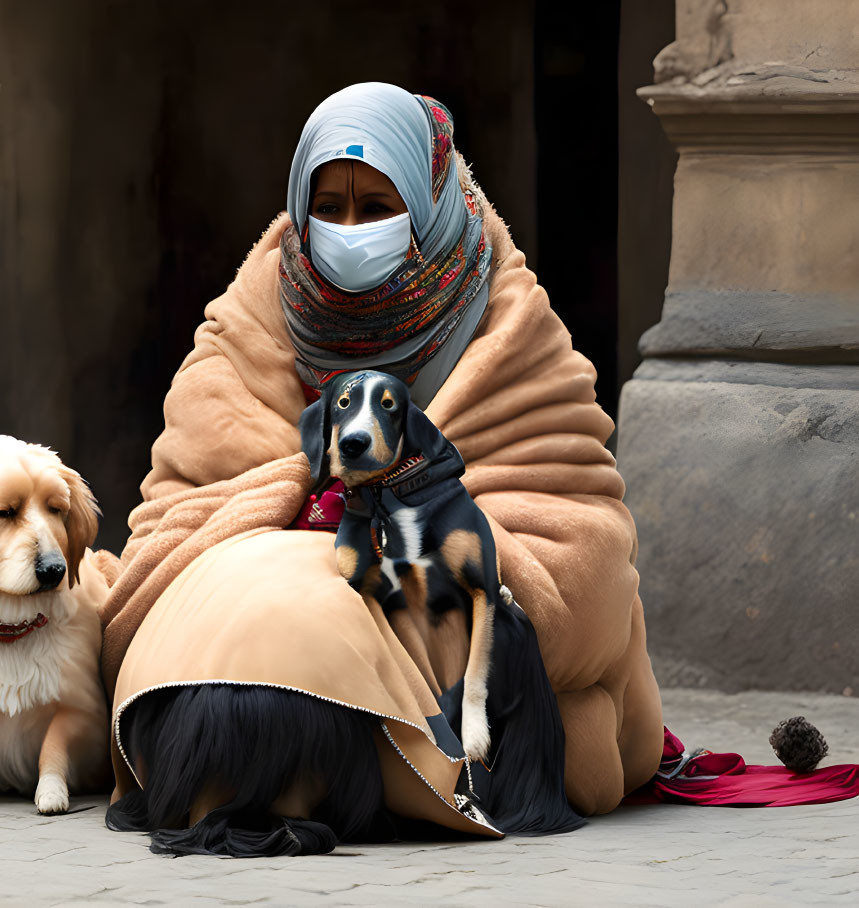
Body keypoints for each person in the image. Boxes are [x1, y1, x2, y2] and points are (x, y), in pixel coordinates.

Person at [100, 82, 663, 856]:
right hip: (271, 564)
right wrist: (307, 497)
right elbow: (176, 520)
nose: (348, 230)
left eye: (375, 207)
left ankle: (347, 764)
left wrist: (416, 512)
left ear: (427, 202)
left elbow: (584, 560)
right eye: (327, 208)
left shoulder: (508, 324)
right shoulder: (250, 320)